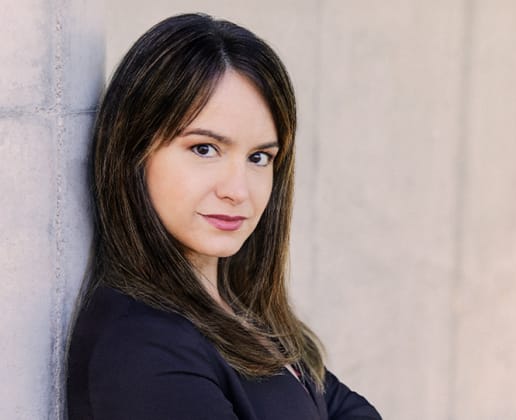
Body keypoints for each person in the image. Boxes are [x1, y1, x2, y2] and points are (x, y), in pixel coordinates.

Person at [66, 13, 381, 420]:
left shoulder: (242, 315)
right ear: (134, 153)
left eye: (259, 157)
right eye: (204, 149)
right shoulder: (142, 347)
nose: (238, 190)